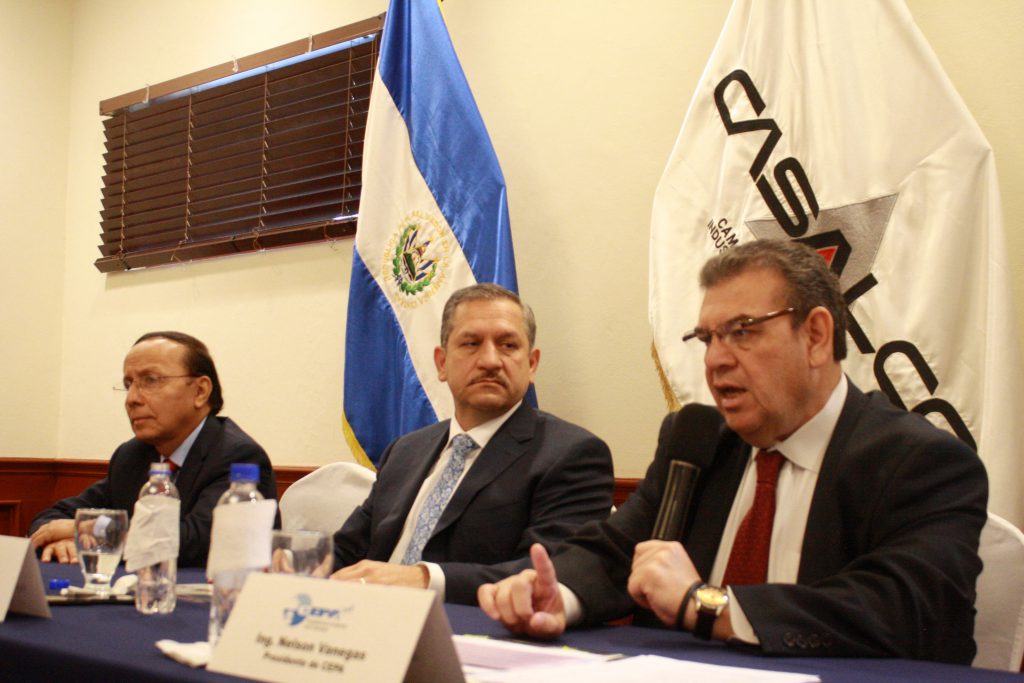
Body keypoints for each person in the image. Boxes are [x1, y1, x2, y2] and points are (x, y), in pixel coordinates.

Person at [479, 240, 988, 664]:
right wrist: (558, 595)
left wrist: (708, 606)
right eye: (707, 338)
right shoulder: (698, 440)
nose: (716, 360)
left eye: (742, 332)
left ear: (816, 336)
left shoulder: (919, 461)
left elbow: (905, 609)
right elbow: (617, 554)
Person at [331, 283, 615, 605]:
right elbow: (347, 550)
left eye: (508, 345)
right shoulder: (405, 451)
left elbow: (549, 573)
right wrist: (297, 563)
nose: (490, 361)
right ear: (441, 363)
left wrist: (424, 580)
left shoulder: (572, 455)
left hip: (464, 625)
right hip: (365, 618)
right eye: (471, 343)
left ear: (532, 364)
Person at [29, 331, 277, 568]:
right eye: (128, 384)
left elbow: (192, 541)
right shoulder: (133, 455)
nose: (132, 399)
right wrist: (63, 540)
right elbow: (53, 518)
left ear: (200, 391)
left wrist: (85, 528)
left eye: (150, 380)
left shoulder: (238, 457)